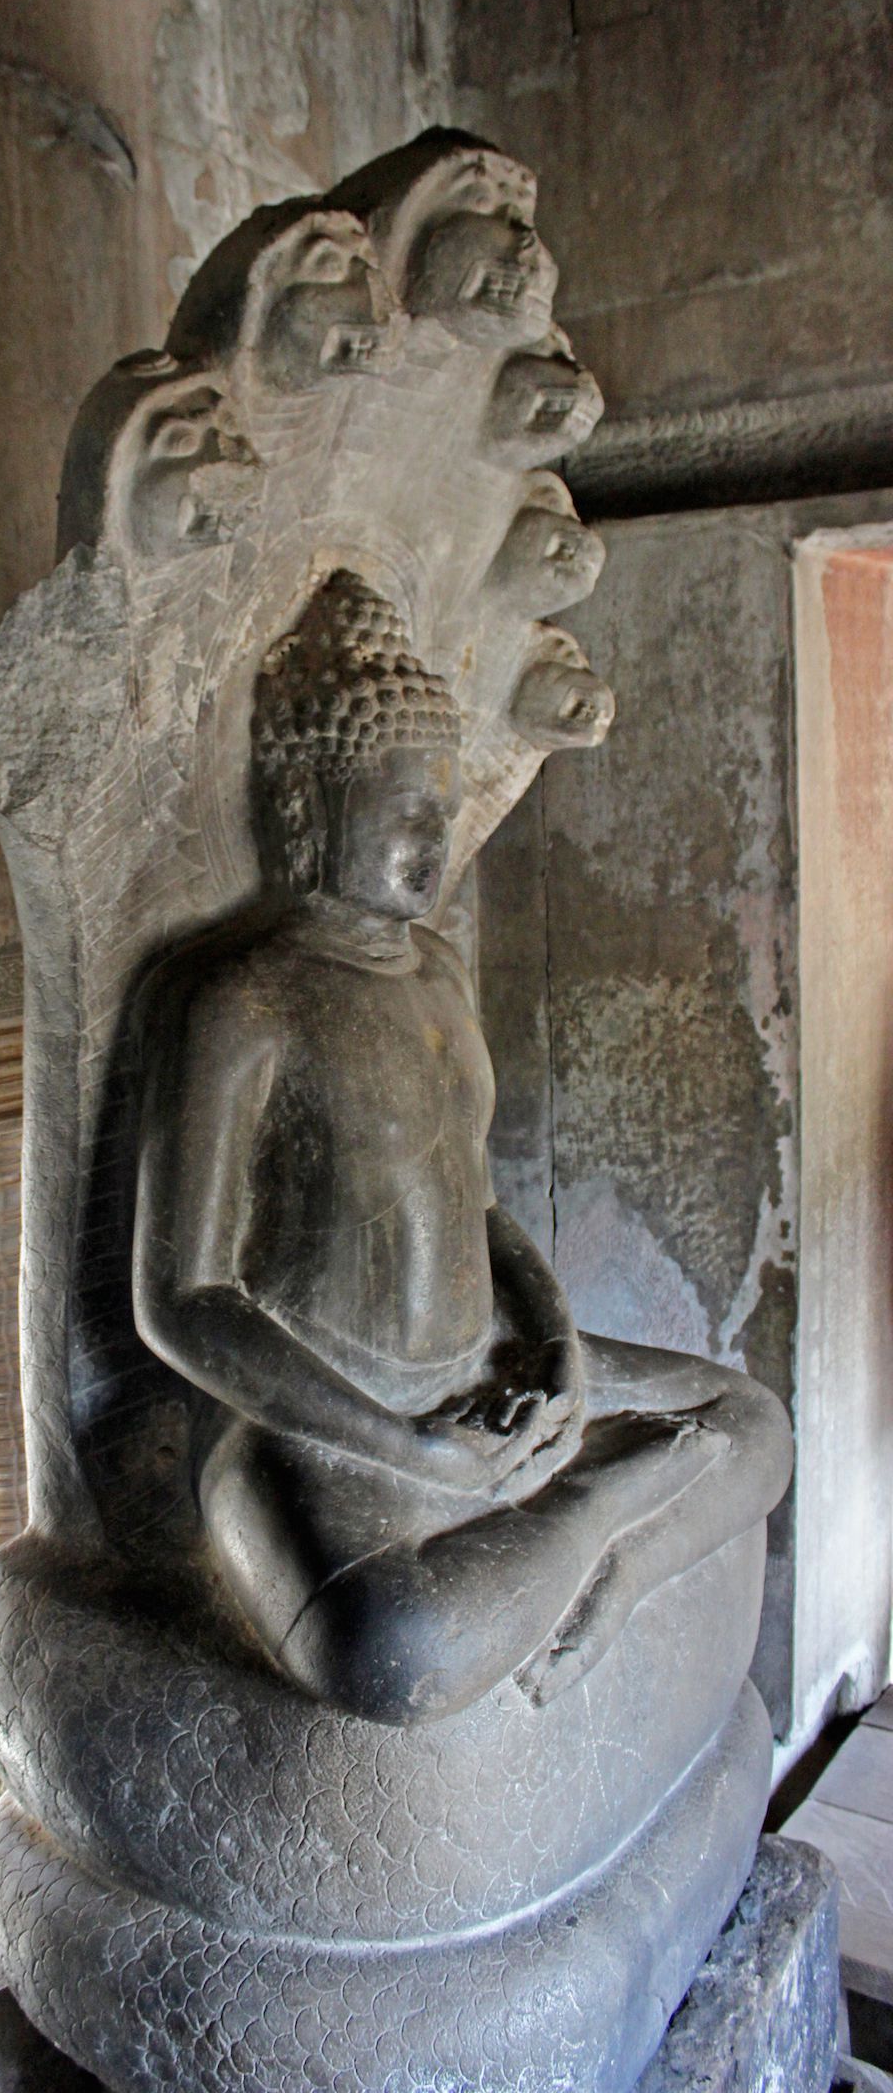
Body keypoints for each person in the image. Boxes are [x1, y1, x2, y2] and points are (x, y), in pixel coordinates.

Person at [132, 571, 791, 1724]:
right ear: (308, 808)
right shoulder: (243, 999)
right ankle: (594, 1517)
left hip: (486, 1366)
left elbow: (478, 1205)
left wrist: (558, 1347)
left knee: (753, 1427)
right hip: (325, 1423)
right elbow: (184, 1298)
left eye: (443, 810)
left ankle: (610, 1569)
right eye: (403, 812)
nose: (434, 841)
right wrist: (401, 1445)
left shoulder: (435, 973)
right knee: (392, 1653)